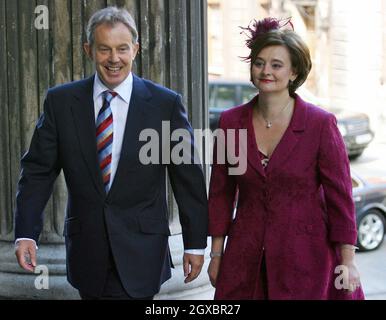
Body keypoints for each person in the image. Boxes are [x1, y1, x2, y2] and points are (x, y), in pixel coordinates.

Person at [14, 6, 208, 300]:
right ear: (88, 49)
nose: (114, 58)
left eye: (122, 49)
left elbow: (188, 178)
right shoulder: (61, 102)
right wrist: (26, 232)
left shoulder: (164, 104)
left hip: (142, 250)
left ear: (136, 50)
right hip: (87, 251)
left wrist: (194, 244)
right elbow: (37, 171)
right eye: (104, 49)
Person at [207, 17, 364, 300]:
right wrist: (216, 254)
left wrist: (348, 260)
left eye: (276, 65)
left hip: (307, 259)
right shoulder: (230, 122)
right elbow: (221, 193)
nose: (265, 71)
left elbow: (340, 197)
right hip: (245, 258)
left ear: (294, 73)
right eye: (259, 63)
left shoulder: (320, 124)